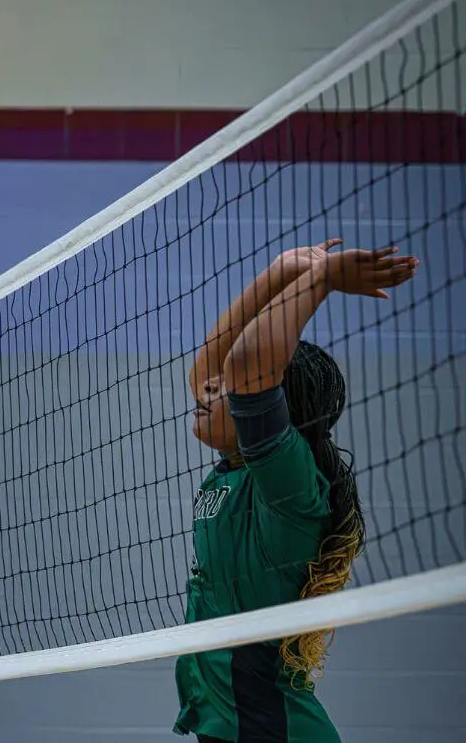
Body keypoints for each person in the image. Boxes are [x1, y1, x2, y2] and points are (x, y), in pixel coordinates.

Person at [174, 239, 418, 742]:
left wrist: (321, 279)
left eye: (232, 391)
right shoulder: (236, 467)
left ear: (264, 410)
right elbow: (214, 371)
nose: (208, 388)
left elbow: (246, 369)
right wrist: (276, 274)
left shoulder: (286, 484)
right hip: (232, 727)